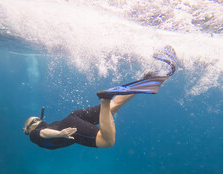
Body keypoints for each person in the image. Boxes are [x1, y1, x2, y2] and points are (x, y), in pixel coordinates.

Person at [23, 46, 177, 150]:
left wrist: (60, 134)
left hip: (71, 126)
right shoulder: (43, 125)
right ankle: (148, 79)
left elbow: (43, 133)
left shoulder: (34, 135)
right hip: (74, 116)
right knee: (113, 107)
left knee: (107, 141)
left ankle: (104, 99)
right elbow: (46, 130)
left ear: (30, 129)